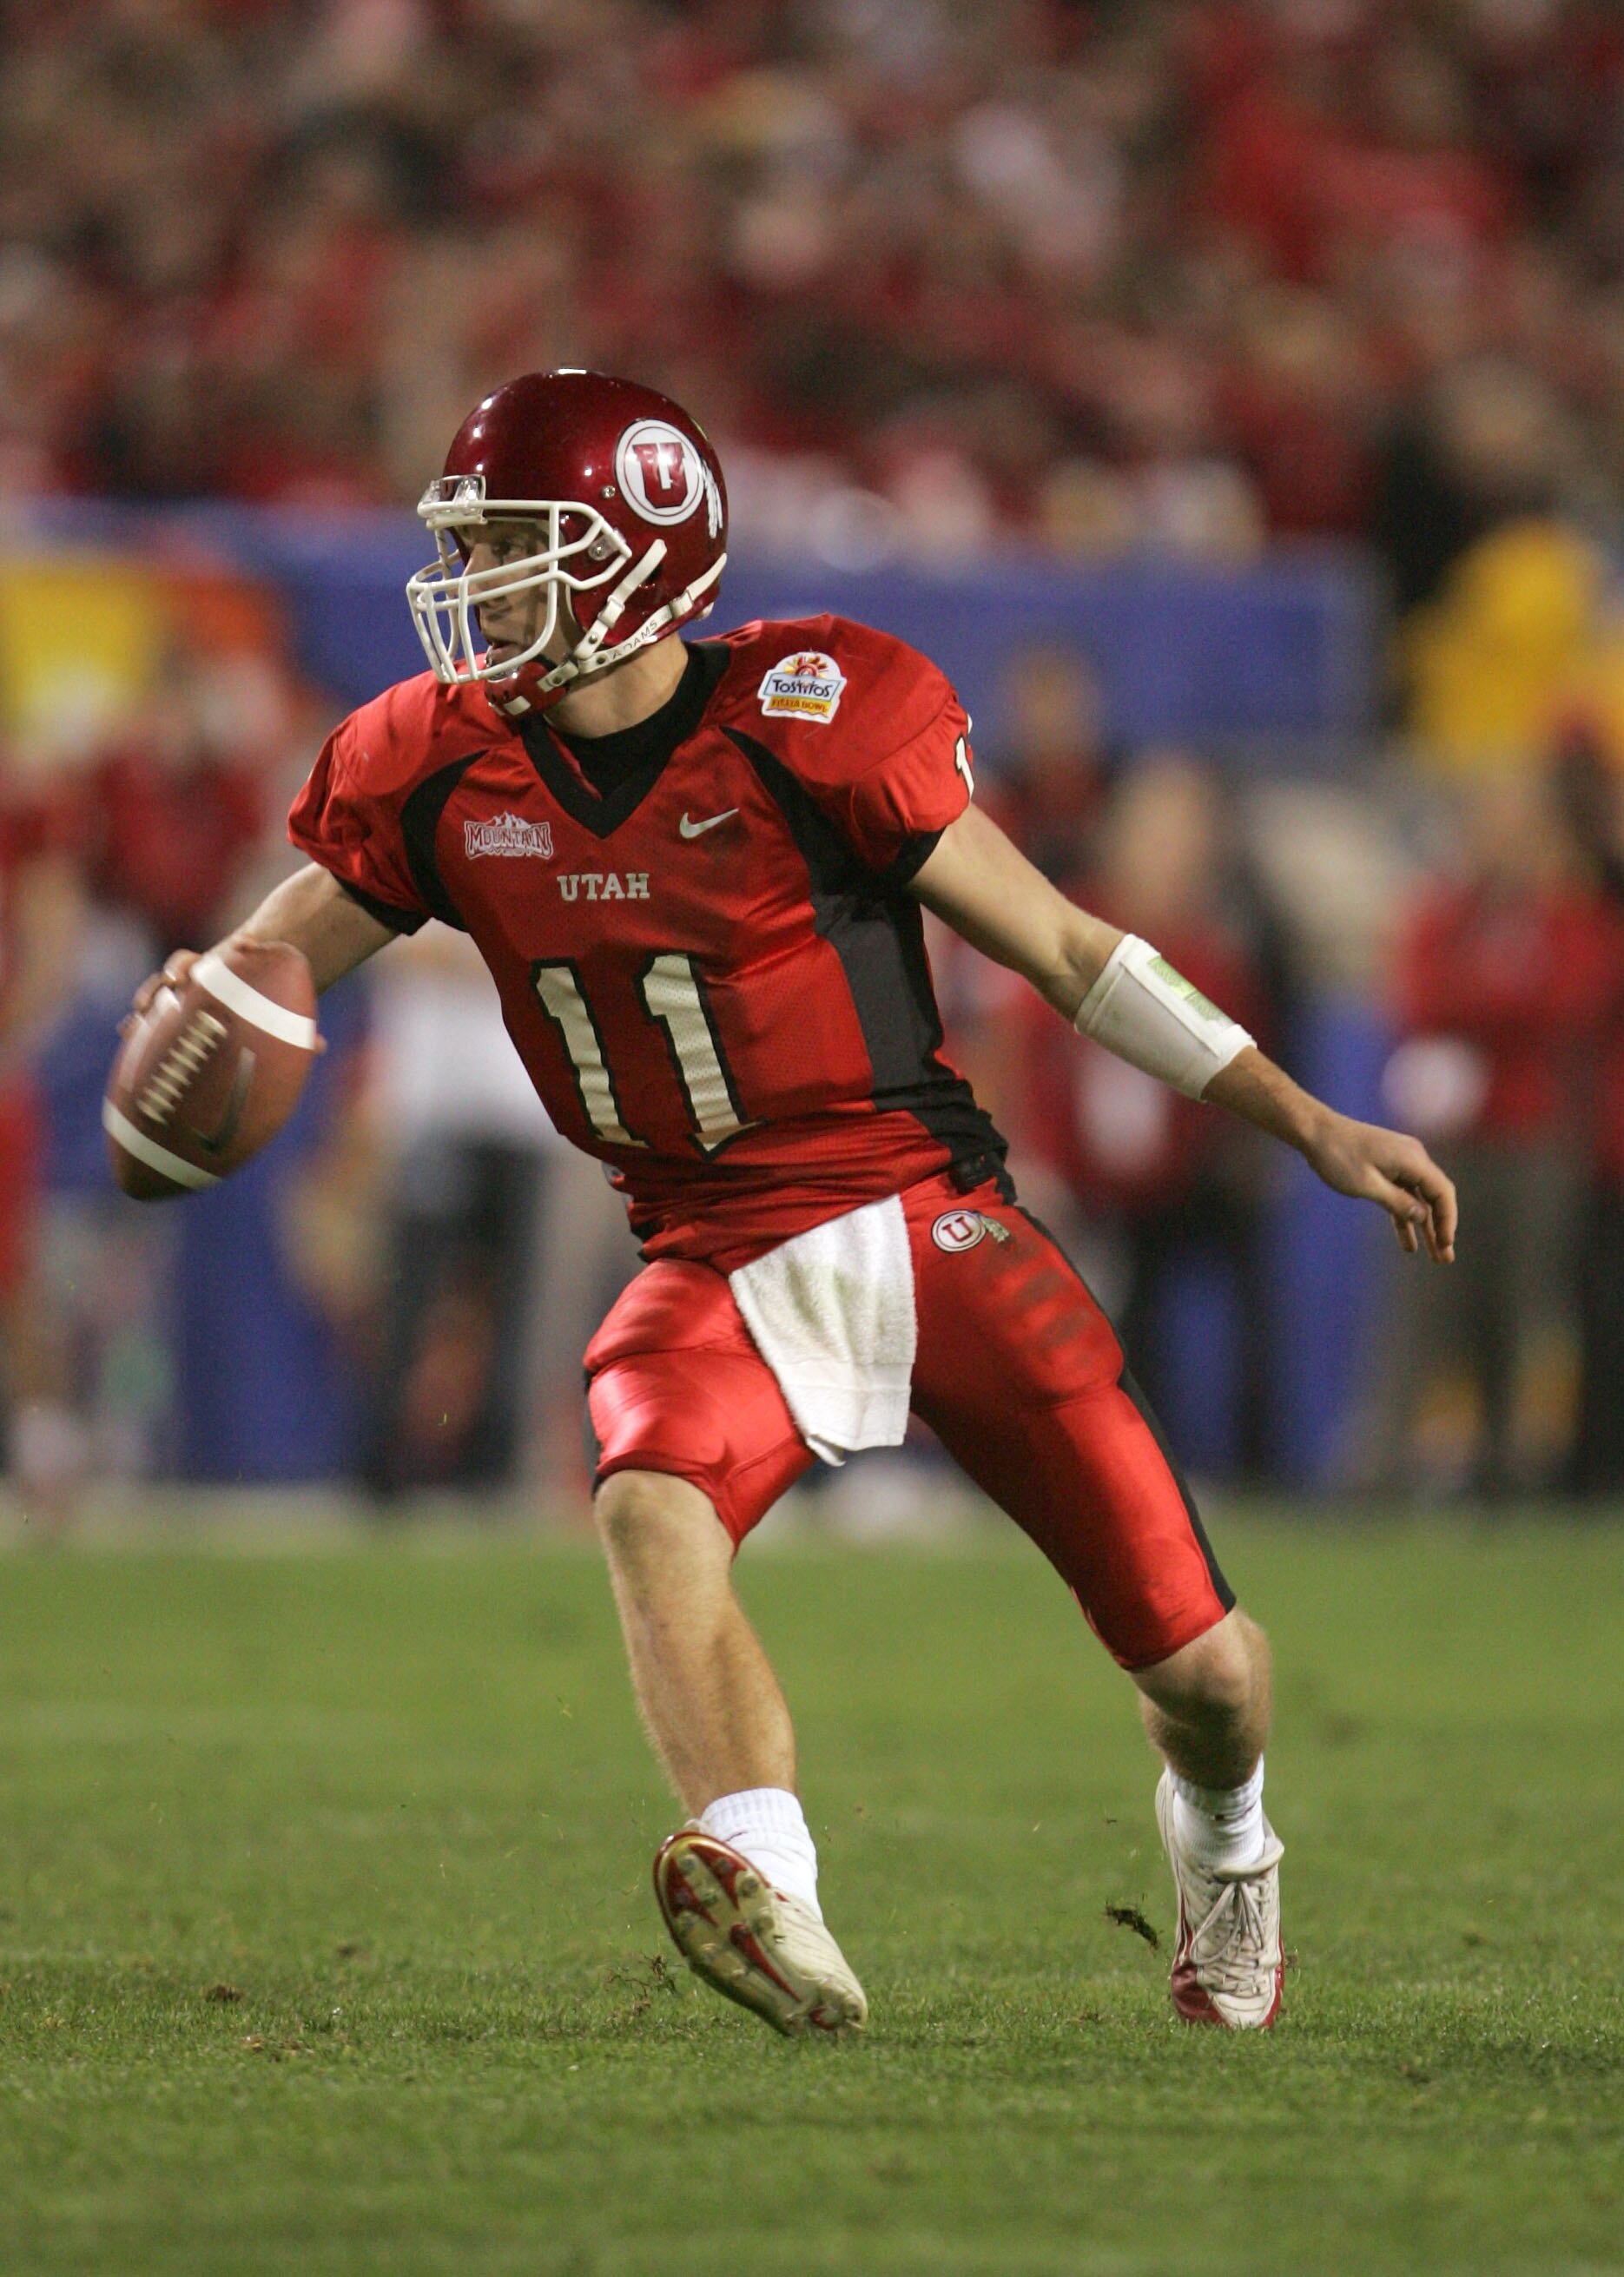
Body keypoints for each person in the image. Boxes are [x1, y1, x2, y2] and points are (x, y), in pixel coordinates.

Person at [131, 370, 1457, 2038]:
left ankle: (1229, 1843)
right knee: (641, 1492)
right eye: (472, 545)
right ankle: (771, 1891)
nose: (478, 585)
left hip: (924, 1211)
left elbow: (1062, 947)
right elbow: (277, 952)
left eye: (516, 547)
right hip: (702, 1247)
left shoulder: (808, 714)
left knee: (1198, 1671)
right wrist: (209, 1014)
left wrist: (1305, 1117)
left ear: (634, 550)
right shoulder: (435, 761)